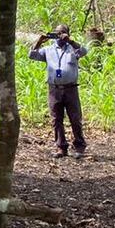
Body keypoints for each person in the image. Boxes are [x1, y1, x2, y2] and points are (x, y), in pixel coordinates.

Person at [29, 24, 88, 158]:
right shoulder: (48, 50)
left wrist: (70, 41)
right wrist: (39, 41)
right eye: (57, 33)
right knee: (56, 119)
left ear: (68, 34)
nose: (60, 35)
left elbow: (84, 51)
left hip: (70, 88)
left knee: (75, 118)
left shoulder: (72, 49)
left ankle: (79, 146)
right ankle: (61, 147)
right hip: (54, 89)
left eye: (63, 32)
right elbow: (32, 55)